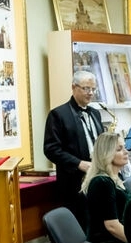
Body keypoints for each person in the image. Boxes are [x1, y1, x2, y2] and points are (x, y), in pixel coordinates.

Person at [44, 70, 104, 232]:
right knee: (80, 225)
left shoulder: (95, 113)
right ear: (73, 87)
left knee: (98, 222)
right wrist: (78, 163)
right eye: (86, 88)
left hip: (97, 177)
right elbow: (51, 149)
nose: (90, 93)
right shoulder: (58, 114)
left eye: (93, 89)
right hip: (73, 181)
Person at [82, 132, 131, 243]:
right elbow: (112, 226)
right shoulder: (102, 182)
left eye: (124, 147)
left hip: (115, 241)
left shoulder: (115, 178)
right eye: (119, 149)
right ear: (106, 154)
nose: (126, 152)